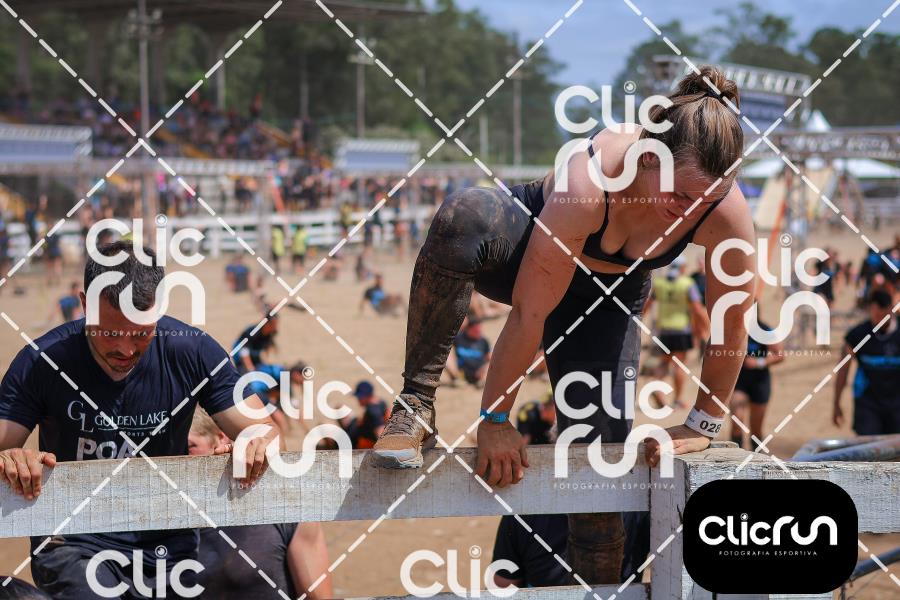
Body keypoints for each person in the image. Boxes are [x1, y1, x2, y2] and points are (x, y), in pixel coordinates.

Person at [372, 66, 756, 584]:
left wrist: (704, 423)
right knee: (464, 217)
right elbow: (530, 312)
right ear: (647, 158)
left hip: (610, 294)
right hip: (528, 247)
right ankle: (415, 405)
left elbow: (732, 321)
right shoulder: (589, 183)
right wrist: (495, 419)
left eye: (706, 202)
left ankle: (600, 591)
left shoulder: (723, 208)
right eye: (680, 198)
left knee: (599, 470)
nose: (689, 215)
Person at [0, 241, 278, 598]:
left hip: (168, 544)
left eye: (141, 333)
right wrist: (13, 458)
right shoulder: (41, 361)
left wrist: (255, 445)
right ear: (84, 304)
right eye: (110, 332)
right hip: (72, 541)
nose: (125, 349)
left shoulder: (192, 351)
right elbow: (3, 446)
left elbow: (265, 431)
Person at [188, 410, 333, 599]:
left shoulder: (287, 510)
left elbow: (318, 597)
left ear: (221, 439)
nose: (181, 455)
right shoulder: (163, 513)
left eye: (190, 446)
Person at [644, 255, 709, 408]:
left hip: (663, 330)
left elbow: (647, 304)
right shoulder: (687, 284)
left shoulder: (660, 283)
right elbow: (697, 309)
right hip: (682, 329)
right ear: (683, 268)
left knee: (665, 362)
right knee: (679, 365)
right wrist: (705, 326)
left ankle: (656, 385)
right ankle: (677, 399)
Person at [833, 289, 900, 435]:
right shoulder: (857, 335)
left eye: (880, 314)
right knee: (867, 446)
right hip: (868, 405)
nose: (876, 319)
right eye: (873, 314)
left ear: (890, 310)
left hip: (896, 405)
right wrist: (836, 403)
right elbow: (843, 370)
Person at [728, 318, 784, 449]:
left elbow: (780, 355)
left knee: (756, 429)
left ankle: (755, 456)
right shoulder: (731, 328)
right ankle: (735, 457)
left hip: (759, 381)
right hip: (739, 381)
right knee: (737, 421)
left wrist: (759, 362)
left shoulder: (764, 329)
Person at [447, 318, 492, 388]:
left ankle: (481, 382)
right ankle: (457, 380)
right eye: (476, 330)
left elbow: (489, 358)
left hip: (479, 373)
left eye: (480, 329)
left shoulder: (483, 341)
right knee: (447, 357)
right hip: (460, 373)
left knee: (491, 363)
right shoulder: (459, 338)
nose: (479, 331)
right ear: (468, 329)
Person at [351, 380, 389, 449]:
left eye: (360, 397)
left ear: (367, 396)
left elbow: (380, 431)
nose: (358, 400)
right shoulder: (380, 402)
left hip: (362, 446)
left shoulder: (373, 411)